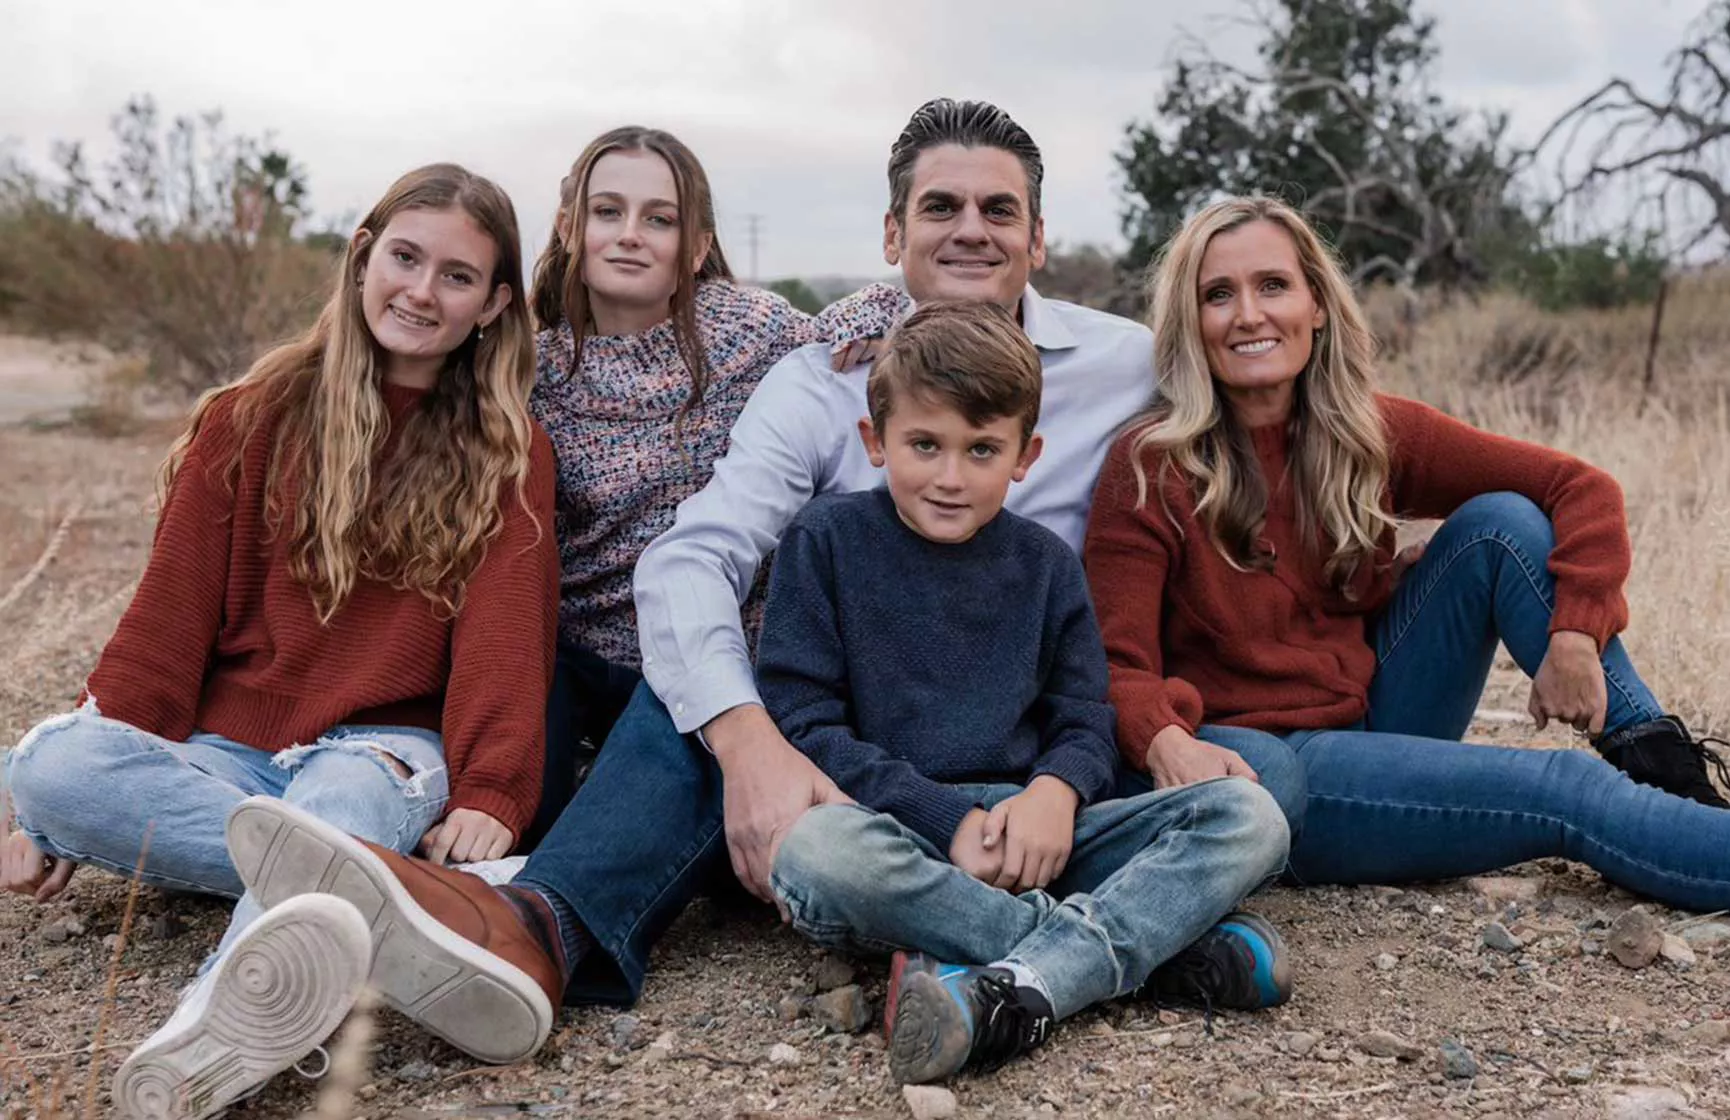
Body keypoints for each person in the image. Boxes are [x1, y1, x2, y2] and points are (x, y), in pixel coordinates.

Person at [212, 98, 1206, 1061]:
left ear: (1038, 237)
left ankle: (999, 940)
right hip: (846, 739)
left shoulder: (1123, 364)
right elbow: (694, 557)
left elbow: (1271, 365)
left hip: (1017, 743)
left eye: (999, 210)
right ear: (892, 233)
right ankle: (531, 927)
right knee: (701, 672)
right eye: (939, 208)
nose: (970, 232)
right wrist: (749, 745)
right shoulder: (823, 379)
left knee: (1248, 806)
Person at [0, 163, 558, 1117]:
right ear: (361, 258)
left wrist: (493, 790)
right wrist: (42, 817)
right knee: (49, 766)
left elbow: (506, 646)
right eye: (405, 258)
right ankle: (392, 898)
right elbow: (163, 629)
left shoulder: (508, 456)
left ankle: (202, 1036)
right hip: (224, 759)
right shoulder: (247, 418)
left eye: (457, 277)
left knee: (336, 804)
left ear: (496, 305)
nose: (422, 292)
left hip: (380, 752)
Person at [1084, 194, 1730, 912]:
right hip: (1275, 767)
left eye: (1273, 285)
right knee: (1565, 791)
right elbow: (1112, 664)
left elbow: (1579, 487)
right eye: (1218, 295)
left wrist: (1576, 631)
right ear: (1190, 323)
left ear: (1317, 305)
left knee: (1500, 524)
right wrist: (1165, 741)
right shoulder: (1150, 467)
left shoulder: (1365, 431)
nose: (1248, 315)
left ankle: (1674, 780)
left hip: (1378, 712)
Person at [756, 301, 1290, 1085]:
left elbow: (1083, 717)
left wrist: (1054, 794)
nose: (950, 475)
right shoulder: (825, 541)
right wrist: (950, 819)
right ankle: (1120, 957)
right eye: (924, 445)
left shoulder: (1043, 563)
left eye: (981, 450)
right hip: (898, 834)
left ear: (1025, 455)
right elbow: (805, 725)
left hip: (1038, 835)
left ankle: (1012, 975)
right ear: (875, 442)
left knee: (1250, 814)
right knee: (812, 851)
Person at [520, 126, 905, 847]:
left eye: (659, 219)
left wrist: (890, 333)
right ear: (571, 228)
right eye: (608, 212)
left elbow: (845, 329)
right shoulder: (532, 371)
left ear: (695, 248)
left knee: (656, 792)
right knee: (527, 808)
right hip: (578, 652)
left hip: (707, 651)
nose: (631, 235)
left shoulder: (744, 328)